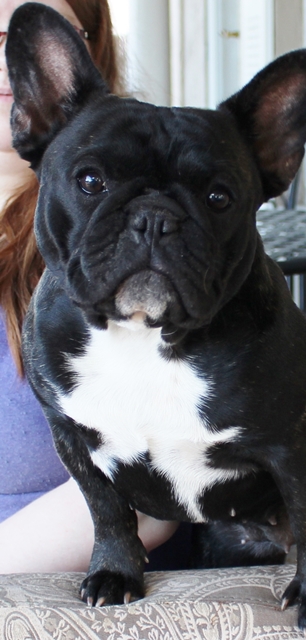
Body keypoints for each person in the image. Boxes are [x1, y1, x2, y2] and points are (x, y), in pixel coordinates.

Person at [0, 0, 184, 573]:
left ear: (87, 50)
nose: (8, 59)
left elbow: (157, 487)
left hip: (80, 590)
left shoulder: (128, 231)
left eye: (31, 33)